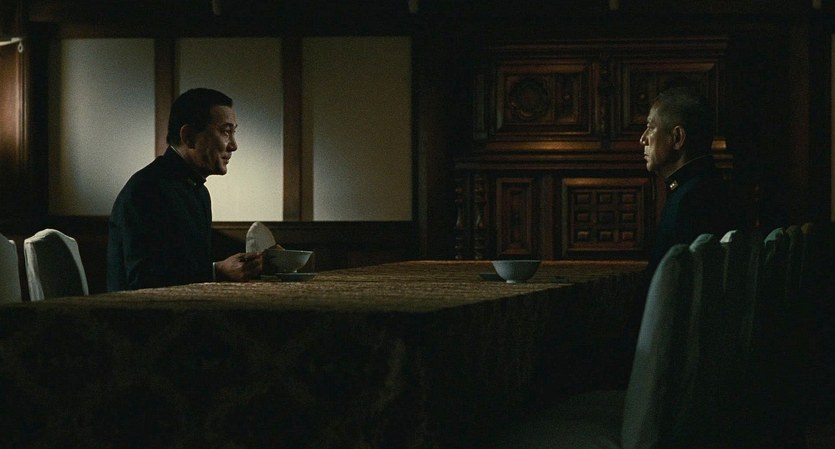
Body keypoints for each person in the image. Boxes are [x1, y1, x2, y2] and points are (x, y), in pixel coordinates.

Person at [107, 88, 263, 291]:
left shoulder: (197, 191)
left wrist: (262, 256)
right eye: (226, 132)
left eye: (234, 132)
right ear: (188, 136)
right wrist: (216, 271)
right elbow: (142, 278)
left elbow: (192, 258)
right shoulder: (145, 191)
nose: (233, 146)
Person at [640, 86, 741, 274]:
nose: (643, 139)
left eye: (651, 128)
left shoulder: (687, 202)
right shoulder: (717, 187)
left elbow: (664, 283)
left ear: (677, 138)